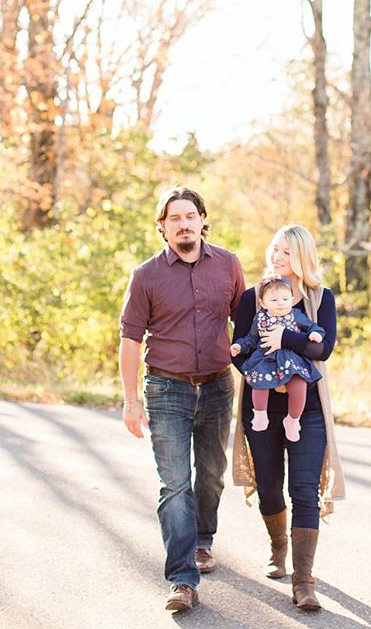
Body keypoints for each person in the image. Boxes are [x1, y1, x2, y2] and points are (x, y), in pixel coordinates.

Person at [119, 186, 245, 613]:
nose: (184, 224)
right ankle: (181, 578)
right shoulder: (147, 275)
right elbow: (130, 338)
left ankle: (203, 540)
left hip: (215, 386)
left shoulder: (228, 265)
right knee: (175, 485)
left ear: (203, 220)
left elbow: (244, 326)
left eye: (190, 215)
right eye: (174, 218)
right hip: (166, 388)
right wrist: (130, 400)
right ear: (163, 227)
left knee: (210, 475)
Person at [231, 224, 345, 611]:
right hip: (261, 406)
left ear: (302, 258)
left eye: (285, 253)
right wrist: (265, 375)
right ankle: (278, 546)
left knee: (304, 489)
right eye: (274, 251)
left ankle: (304, 581)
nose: (276, 258)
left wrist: (286, 342)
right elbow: (238, 349)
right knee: (269, 484)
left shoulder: (320, 298)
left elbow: (323, 348)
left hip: (307, 409)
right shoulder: (254, 297)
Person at [230, 275, 325, 442]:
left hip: (291, 360)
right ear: (263, 303)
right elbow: (251, 339)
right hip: (265, 359)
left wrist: (315, 334)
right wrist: (239, 346)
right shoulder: (260, 318)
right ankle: (260, 413)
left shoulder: (296, 315)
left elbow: (311, 327)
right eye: (274, 300)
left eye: (285, 299)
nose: (281, 303)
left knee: (299, 384)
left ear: (292, 300)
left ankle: (293, 419)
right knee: (259, 380)